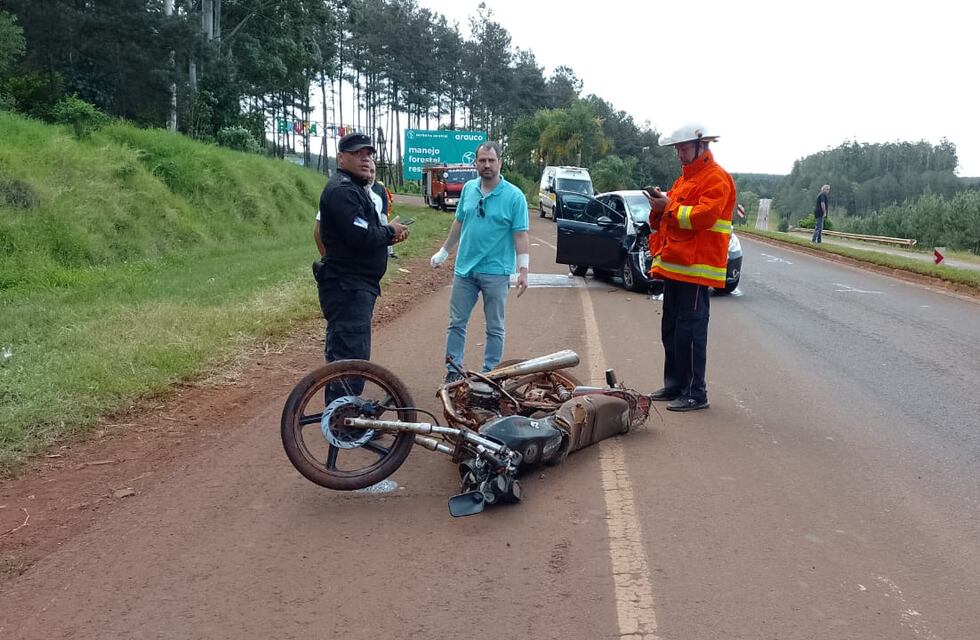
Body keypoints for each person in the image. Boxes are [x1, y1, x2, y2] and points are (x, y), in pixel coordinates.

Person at [644, 123, 736, 412]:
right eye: (677, 149)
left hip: (696, 270)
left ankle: (696, 392)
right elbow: (669, 217)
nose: (679, 154)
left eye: (683, 148)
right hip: (675, 267)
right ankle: (675, 384)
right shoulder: (684, 180)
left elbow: (703, 216)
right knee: (670, 330)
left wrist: (667, 207)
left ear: (701, 146)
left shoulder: (716, 178)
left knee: (691, 333)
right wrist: (658, 208)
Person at [314, 132, 410, 394]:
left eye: (369, 154)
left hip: (354, 285)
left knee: (346, 355)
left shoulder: (356, 188)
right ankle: (345, 425)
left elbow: (363, 236)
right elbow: (360, 234)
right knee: (350, 357)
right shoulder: (342, 190)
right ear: (341, 158)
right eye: (358, 154)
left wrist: (388, 237)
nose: (366, 159)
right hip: (347, 286)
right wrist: (389, 232)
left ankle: (342, 420)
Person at [430, 141, 530, 381]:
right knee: (456, 323)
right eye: (482, 160)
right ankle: (453, 373)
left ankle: (490, 375)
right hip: (465, 270)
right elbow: (459, 222)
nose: (486, 165)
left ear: (500, 163)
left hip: (496, 272)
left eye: (491, 160)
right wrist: (444, 251)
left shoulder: (514, 197)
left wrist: (523, 269)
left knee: (494, 327)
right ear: (475, 163)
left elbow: (520, 234)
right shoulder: (468, 189)